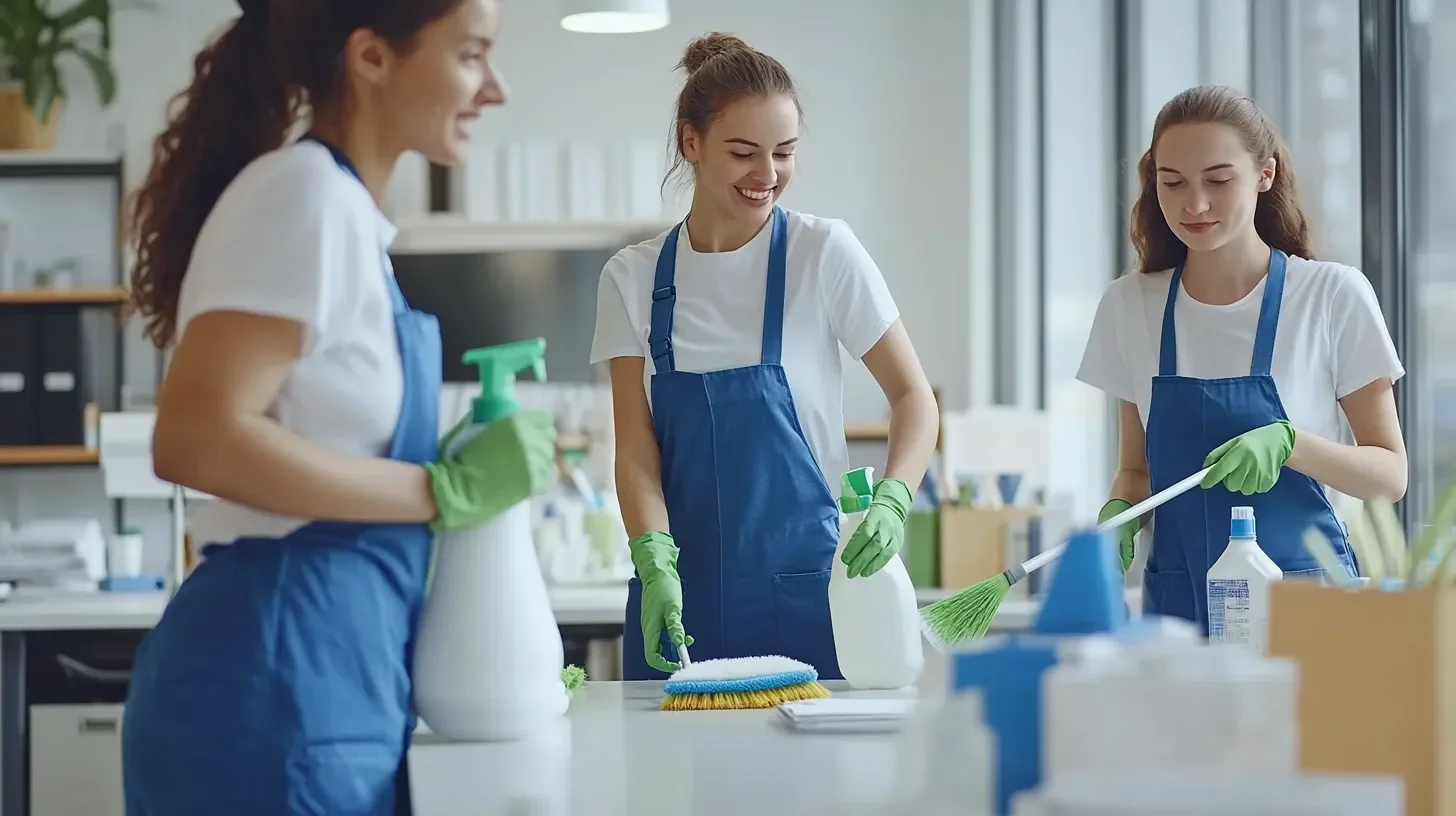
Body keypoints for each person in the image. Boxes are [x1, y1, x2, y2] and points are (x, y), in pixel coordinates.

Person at [120, 1, 556, 813]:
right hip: (271, 685)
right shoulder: (302, 197)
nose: (494, 88)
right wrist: (441, 491)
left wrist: (445, 466)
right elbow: (196, 437)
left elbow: (319, 437)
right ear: (372, 57)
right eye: (470, 55)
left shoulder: (352, 218)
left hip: (335, 680)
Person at [590, 32, 940, 681]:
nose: (767, 174)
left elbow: (914, 398)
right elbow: (635, 449)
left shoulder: (822, 254)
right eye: (743, 152)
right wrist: (652, 560)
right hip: (678, 603)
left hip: (805, 598)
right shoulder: (632, 279)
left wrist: (894, 498)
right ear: (690, 143)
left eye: (784, 153)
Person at [1077, 84, 1407, 632]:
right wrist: (1121, 514)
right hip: (1180, 618)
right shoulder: (1128, 306)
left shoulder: (1331, 296)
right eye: (1172, 182)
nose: (1194, 204)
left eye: (1218, 180)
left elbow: (1389, 475)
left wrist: (1290, 443)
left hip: (1308, 616)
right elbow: (1135, 470)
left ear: (1265, 175)